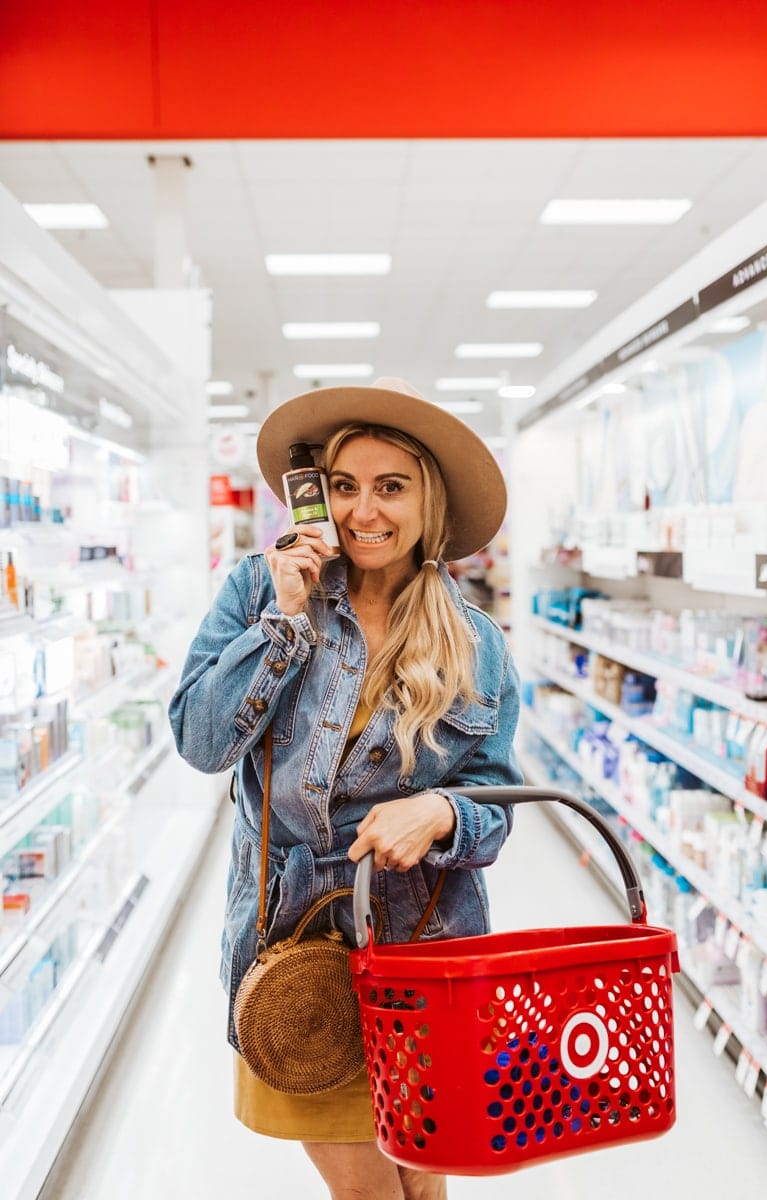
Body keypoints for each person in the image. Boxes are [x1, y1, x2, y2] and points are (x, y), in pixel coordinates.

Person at [169, 377, 523, 1200]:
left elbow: (497, 806)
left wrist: (441, 811)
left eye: (390, 487)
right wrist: (286, 625)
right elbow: (199, 743)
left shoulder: (476, 643)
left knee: (425, 1185)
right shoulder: (258, 589)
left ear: (427, 505)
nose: (364, 511)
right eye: (343, 486)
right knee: (366, 1193)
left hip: (427, 956)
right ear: (314, 497)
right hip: (302, 963)